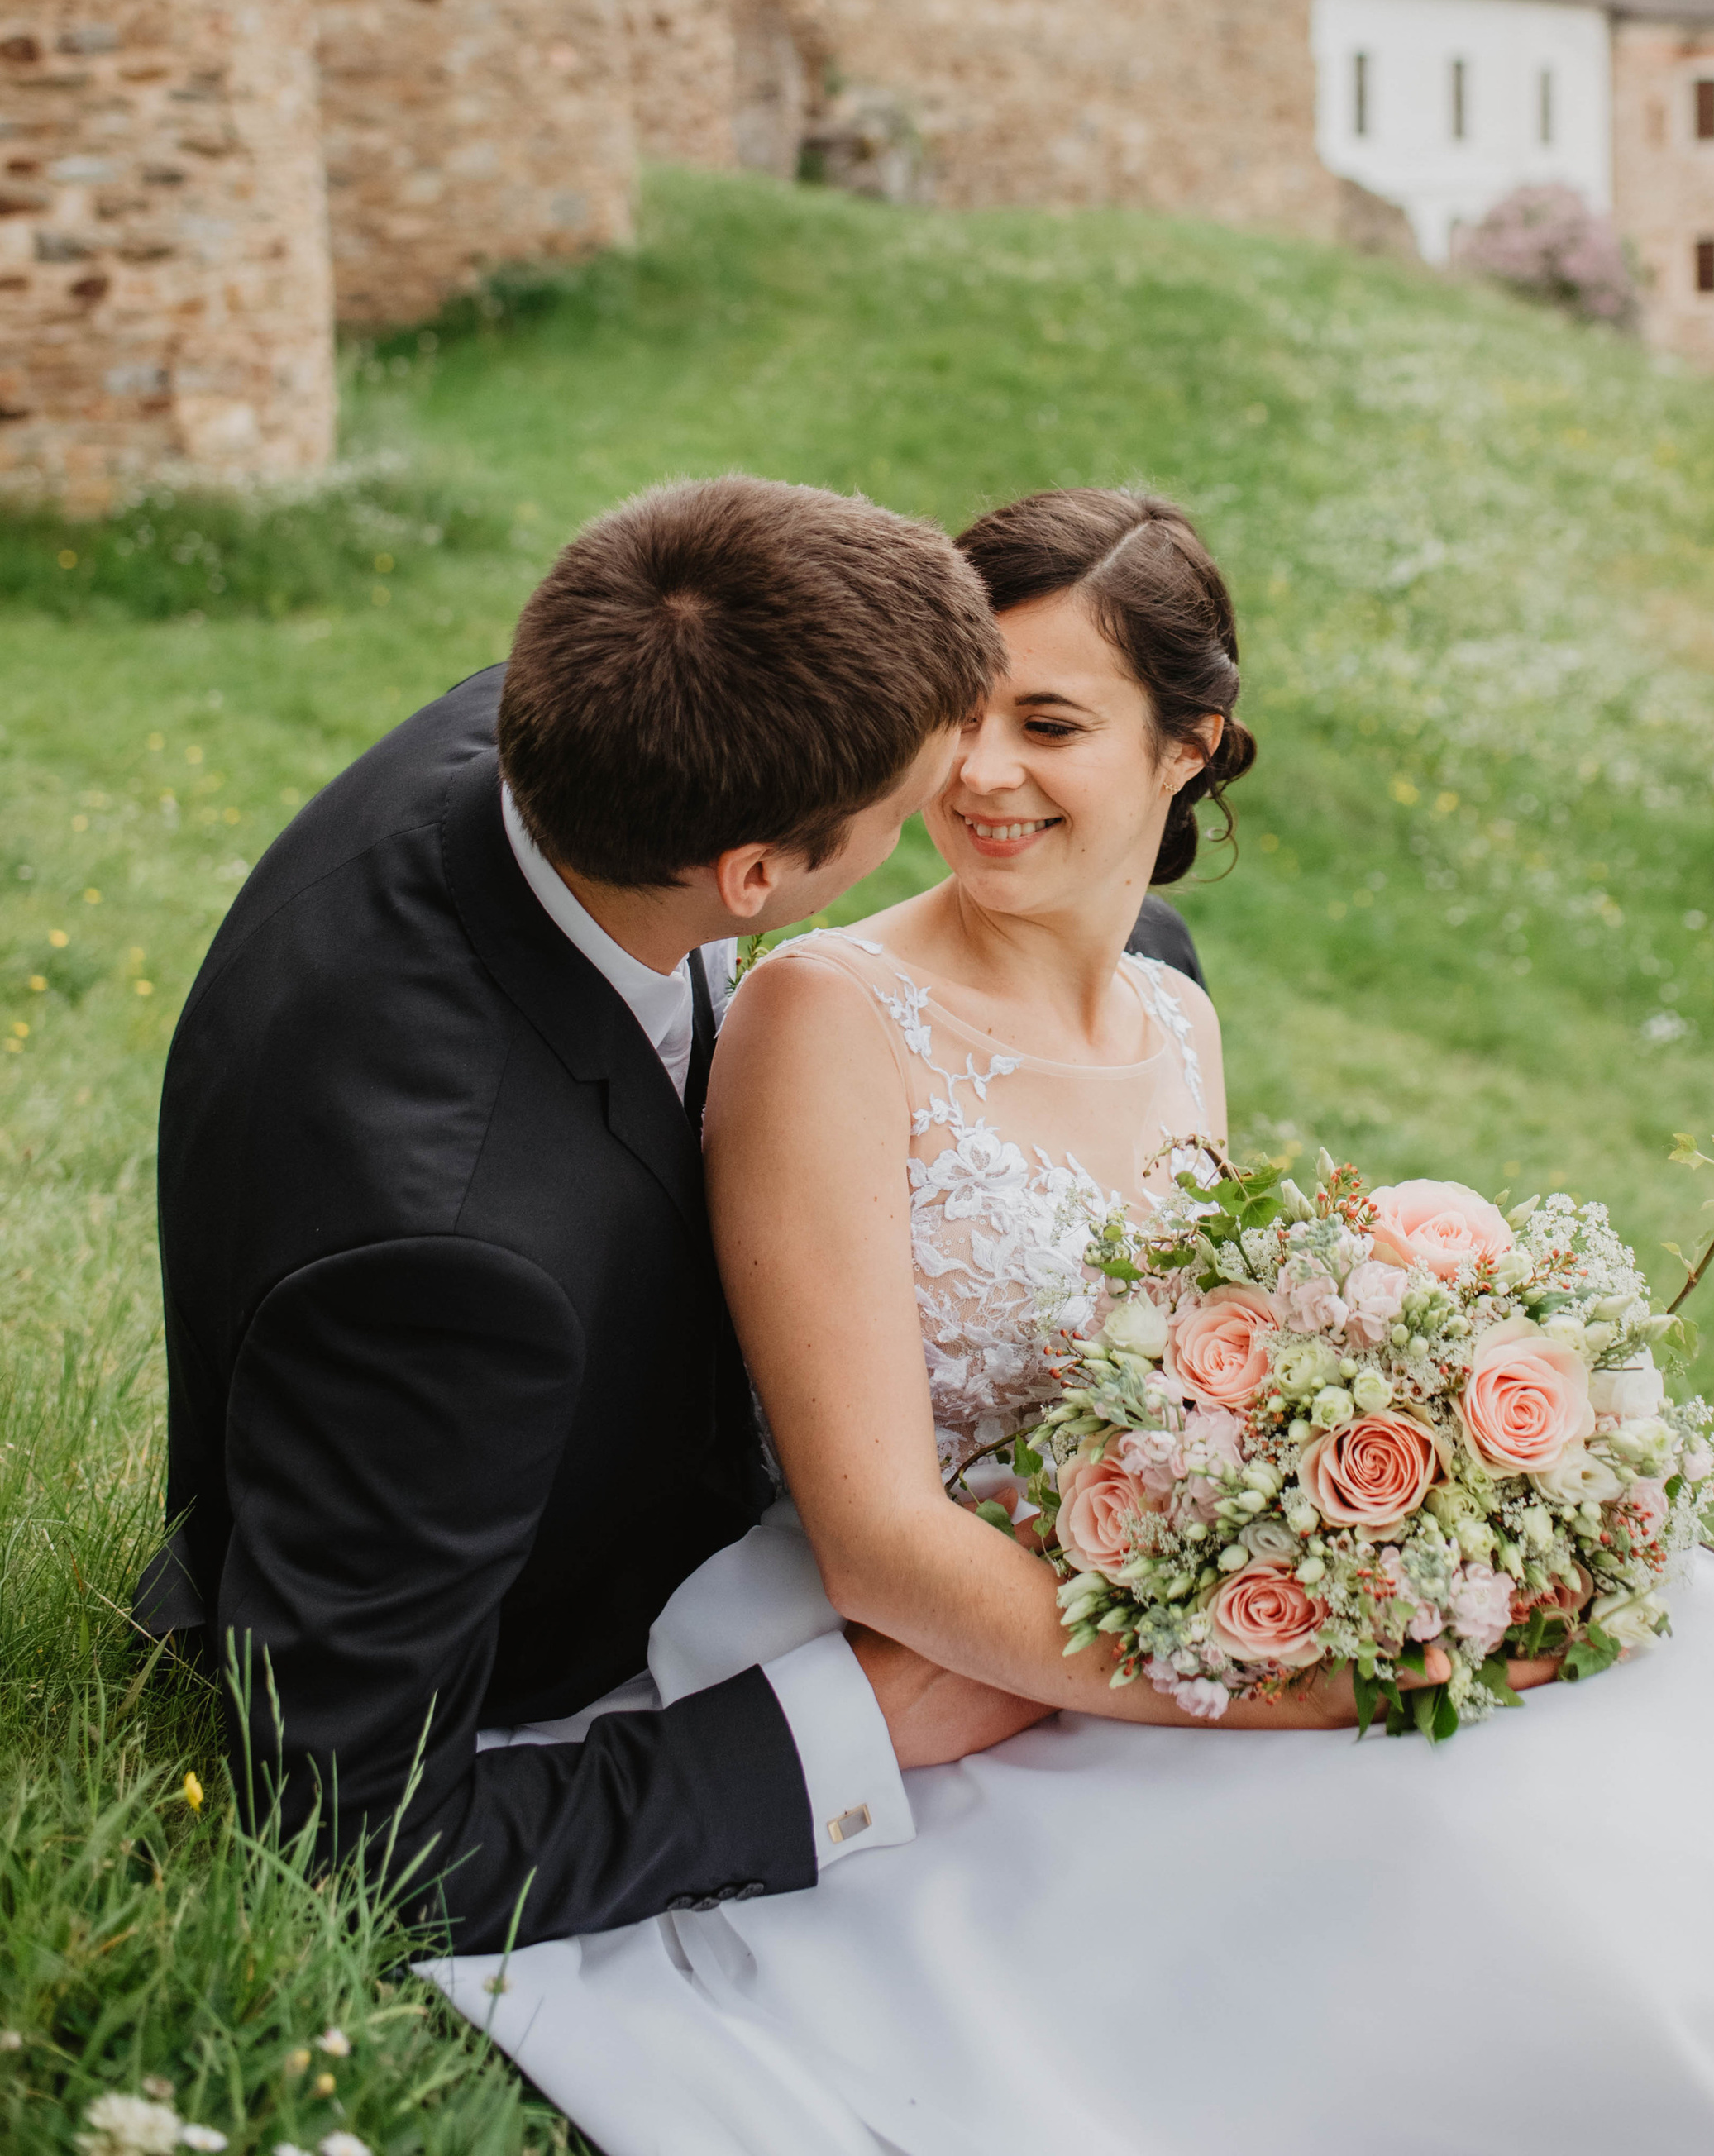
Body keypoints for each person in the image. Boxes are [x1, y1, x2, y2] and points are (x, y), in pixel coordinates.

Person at [436, 483, 1714, 2154]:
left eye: (1048, 721)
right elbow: (875, 1534)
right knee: (1539, 1905)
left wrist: (1397, 1523)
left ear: (1187, 749)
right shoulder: (825, 1015)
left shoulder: (1172, 1014)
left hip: (1199, 1593)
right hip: (971, 1656)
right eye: (957, 718)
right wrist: (1273, 1681)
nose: (977, 772)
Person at [142, 475, 1198, 1954]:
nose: (967, 785)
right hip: (565, 1616)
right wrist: (842, 1727)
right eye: (913, 790)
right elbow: (350, 1836)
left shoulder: (583, 719)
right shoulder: (454, 1253)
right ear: (758, 876)